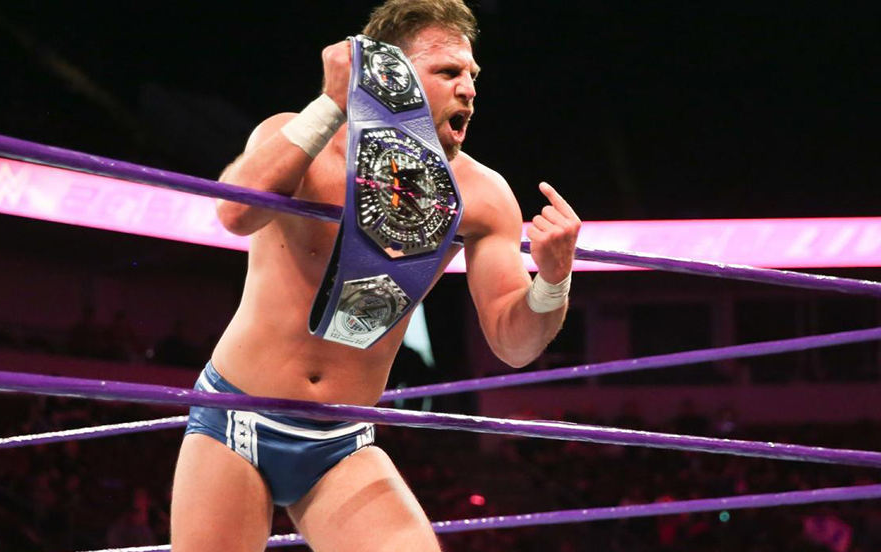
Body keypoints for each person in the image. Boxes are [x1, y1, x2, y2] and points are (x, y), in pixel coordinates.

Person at [170, 1, 581, 550]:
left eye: (472, 75)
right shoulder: (299, 138)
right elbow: (235, 213)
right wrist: (331, 104)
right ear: (391, 75)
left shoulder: (481, 195)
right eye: (448, 72)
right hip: (236, 417)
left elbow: (515, 344)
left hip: (342, 441)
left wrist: (553, 280)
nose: (468, 89)